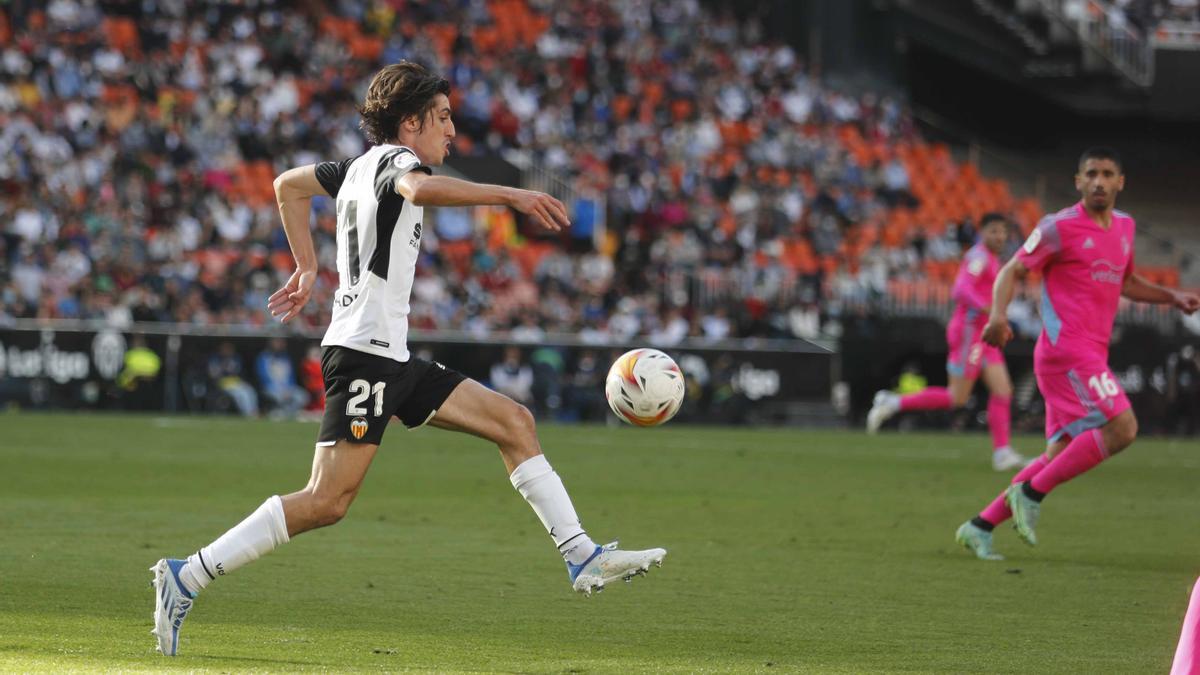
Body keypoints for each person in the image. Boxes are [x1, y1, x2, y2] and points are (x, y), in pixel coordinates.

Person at [149, 61, 666, 657]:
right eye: (443, 119)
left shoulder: (351, 169)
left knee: (514, 422)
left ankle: (582, 557)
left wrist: (308, 265)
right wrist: (512, 194)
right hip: (364, 357)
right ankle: (186, 576)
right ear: (411, 122)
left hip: (387, 356)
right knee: (326, 500)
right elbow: (416, 188)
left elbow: (286, 186)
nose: (451, 132)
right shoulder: (397, 161)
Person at [955, 148, 1200, 560]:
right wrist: (997, 315)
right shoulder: (1058, 227)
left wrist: (1171, 297)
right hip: (1064, 351)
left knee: (1058, 454)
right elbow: (1011, 269)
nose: (1099, 181)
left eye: (1107, 174)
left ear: (1121, 182)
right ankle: (1031, 495)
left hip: (1090, 353)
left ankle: (978, 526)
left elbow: (1126, 281)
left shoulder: (1124, 227)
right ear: (1078, 181)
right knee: (1122, 427)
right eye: (1091, 174)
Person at [867, 213, 1031, 471]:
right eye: (993, 231)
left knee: (1003, 390)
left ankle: (1002, 453)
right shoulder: (978, 258)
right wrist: (988, 308)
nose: (999, 237)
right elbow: (960, 289)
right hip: (969, 333)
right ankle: (893, 402)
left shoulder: (991, 259)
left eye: (1003, 232)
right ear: (981, 233)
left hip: (984, 334)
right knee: (957, 397)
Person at [255, 337, 308, 418]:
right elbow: (263, 377)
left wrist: (289, 389)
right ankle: (280, 412)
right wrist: (279, 389)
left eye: (281, 342)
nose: (280, 345)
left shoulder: (286, 358)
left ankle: (286, 413)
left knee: (302, 396)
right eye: (277, 342)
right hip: (271, 388)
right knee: (278, 397)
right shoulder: (264, 357)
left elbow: (291, 377)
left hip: (288, 388)